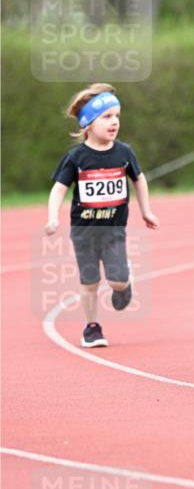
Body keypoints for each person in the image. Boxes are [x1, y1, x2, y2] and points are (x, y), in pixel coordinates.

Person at [44, 83, 160, 346]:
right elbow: (58, 189)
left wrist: (146, 211)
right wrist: (53, 217)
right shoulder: (76, 158)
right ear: (88, 123)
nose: (114, 122)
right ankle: (92, 327)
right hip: (83, 231)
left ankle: (124, 285)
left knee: (117, 282)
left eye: (117, 116)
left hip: (114, 230)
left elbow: (139, 179)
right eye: (107, 116)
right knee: (90, 281)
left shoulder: (124, 152)